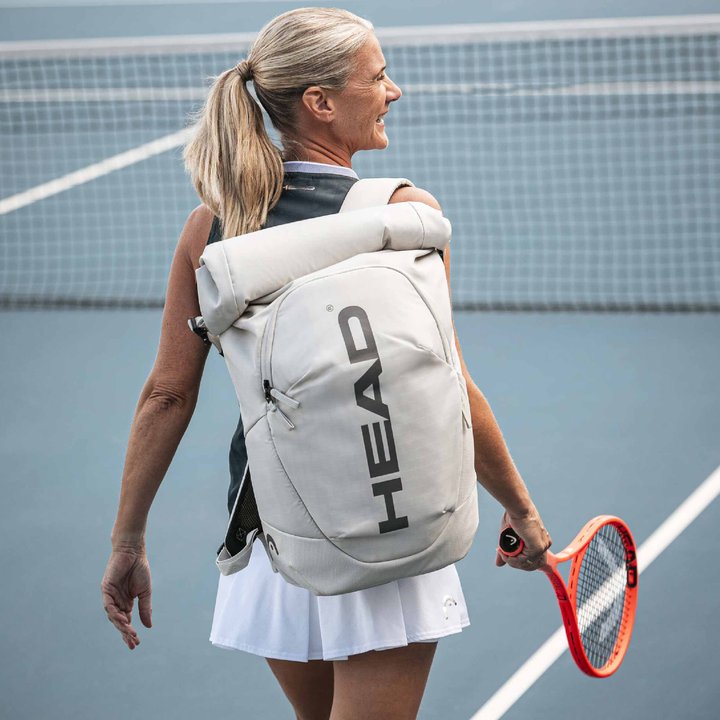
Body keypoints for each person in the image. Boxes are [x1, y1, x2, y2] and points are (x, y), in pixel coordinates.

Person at [100, 7, 552, 720]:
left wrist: (128, 539)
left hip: (273, 531)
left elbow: (167, 396)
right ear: (320, 102)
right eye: (377, 77)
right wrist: (520, 508)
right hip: (389, 523)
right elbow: (451, 387)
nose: (393, 91)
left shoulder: (210, 229)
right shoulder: (405, 217)